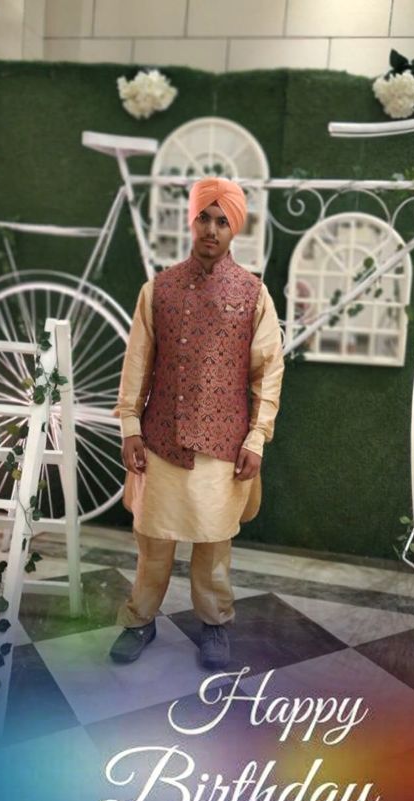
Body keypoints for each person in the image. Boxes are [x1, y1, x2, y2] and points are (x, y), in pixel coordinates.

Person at [109, 177, 284, 671]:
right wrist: (130, 426)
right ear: (191, 221)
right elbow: (137, 363)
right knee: (153, 544)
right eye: (204, 218)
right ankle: (139, 620)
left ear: (235, 229)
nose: (211, 229)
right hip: (160, 441)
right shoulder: (158, 290)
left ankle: (214, 624)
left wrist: (257, 437)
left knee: (213, 546)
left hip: (222, 445)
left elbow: (269, 370)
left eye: (222, 221)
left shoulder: (253, 294)